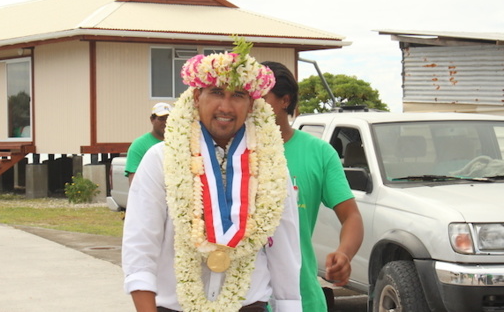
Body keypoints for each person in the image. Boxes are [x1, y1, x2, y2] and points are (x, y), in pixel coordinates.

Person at [122, 38, 302, 312]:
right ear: (197, 97)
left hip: (248, 305)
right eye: (217, 92)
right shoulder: (161, 159)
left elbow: (285, 250)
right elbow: (140, 246)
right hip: (175, 305)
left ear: (251, 105)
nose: (226, 107)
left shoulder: (272, 164)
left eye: (238, 96)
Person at [262, 61, 363, 312]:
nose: (250, 106)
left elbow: (351, 216)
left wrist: (344, 254)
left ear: (285, 100)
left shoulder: (319, 153)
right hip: (240, 301)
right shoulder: (231, 151)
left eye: (260, 98)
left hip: (302, 298)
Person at [125, 102, 172, 185]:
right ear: (152, 119)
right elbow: (134, 183)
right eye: (161, 119)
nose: (166, 122)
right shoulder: (139, 145)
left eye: (169, 118)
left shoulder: (179, 143)